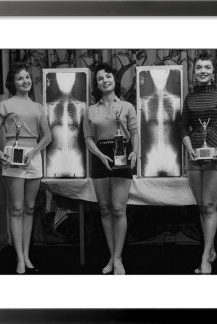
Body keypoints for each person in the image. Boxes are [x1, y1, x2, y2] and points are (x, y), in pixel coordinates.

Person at [0, 62, 52, 274]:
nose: (25, 81)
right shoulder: (5, 105)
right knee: (16, 208)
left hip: (33, 157)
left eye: (27, 78)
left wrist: (33, 153)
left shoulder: (38, 107)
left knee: (30, 208)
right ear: (12, 83)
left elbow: (48, 136)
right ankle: (19, 258)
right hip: (11, 157)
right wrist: (0, 155)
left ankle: (26, 254)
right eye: (20, 78)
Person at [181, 52, 217, 274]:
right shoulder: (189, 98)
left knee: (210, 205)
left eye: (207, 67)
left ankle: (205, 258)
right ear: (194, 73)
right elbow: (183, 127)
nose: (203, 71)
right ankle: (210, 250)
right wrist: (191, 150)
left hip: (215, 157)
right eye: (199, 68)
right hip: (195, 157)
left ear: (213, 72)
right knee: (201, 206)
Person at [83, 63, 139, 275]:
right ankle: (112, 255)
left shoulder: (127, 106)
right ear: (96, 84)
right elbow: (88, 139)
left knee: (118, 209)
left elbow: (134, 134)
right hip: (100, 157)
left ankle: (117, 259)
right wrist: (99, 155)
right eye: (100, 78)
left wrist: (136, 152)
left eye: (108, 76)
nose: (105, 80)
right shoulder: (91, 109)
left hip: (122, 154)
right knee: (105, 209)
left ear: (114, 80)